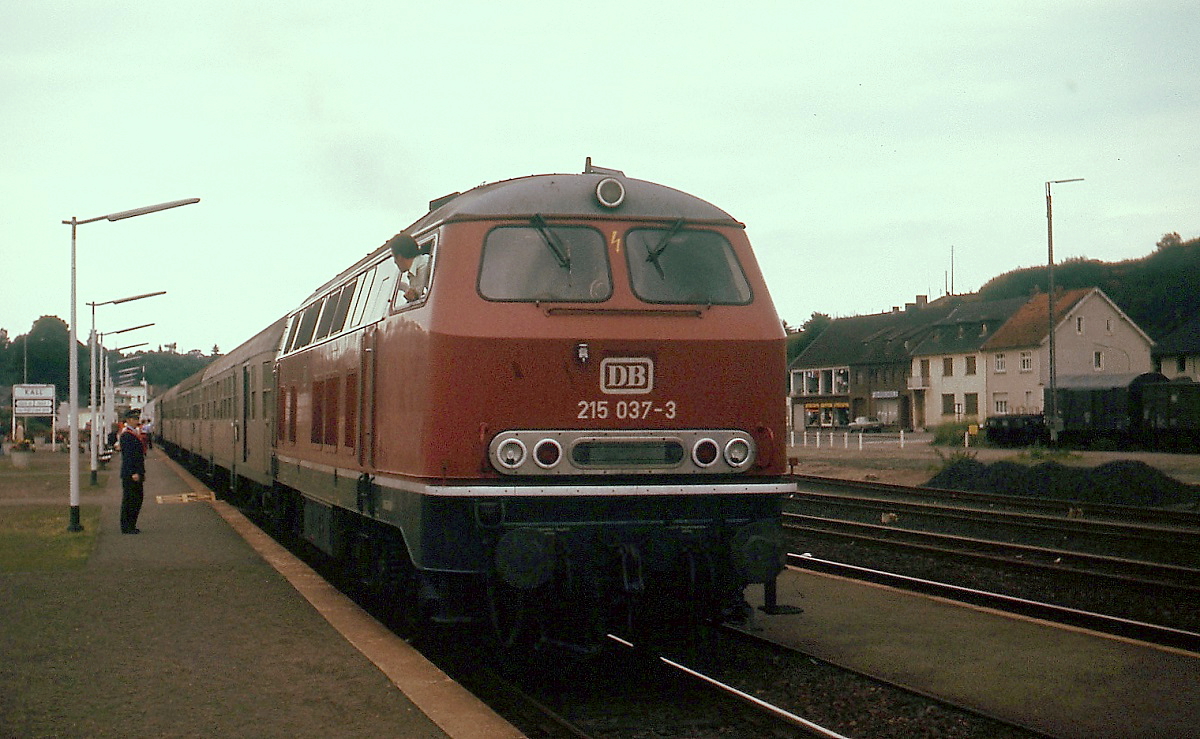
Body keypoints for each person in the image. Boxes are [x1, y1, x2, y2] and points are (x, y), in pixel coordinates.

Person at [117, 409, 146, 534]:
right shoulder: (127, 435)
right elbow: (128, 456)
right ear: (128, 420)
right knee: (130, 499)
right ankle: (127, 526)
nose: (136, 421)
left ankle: (131, 524)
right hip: (131, 473)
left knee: (136, 498)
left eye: (137, 419)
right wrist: (133, 472)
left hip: (136, 472)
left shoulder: (132, 433)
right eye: (134, 419)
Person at [387, 232, 431, 303]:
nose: (395, 262)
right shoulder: (417, 267)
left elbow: (417, 299)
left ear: (399, 257)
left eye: (394, 257)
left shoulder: (423, 266)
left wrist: (406, 289)